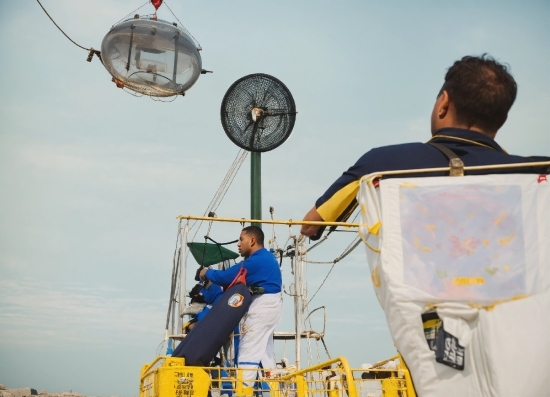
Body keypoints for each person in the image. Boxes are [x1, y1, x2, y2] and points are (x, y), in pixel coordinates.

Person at [301, 54, 550, 239]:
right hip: (514, 305)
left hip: (420, 307)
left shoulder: (380, 163)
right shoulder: (538, 173)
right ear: (502, 119)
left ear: (443, 103)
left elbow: (311, 226)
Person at [199, 226, 283, 392]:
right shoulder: (267, 258)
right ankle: (272, 392)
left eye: (241, 239)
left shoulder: (255, 261)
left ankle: (243, 393)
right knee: (265, 354)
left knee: (247, 352)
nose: (238, 244)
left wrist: (206, 273)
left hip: (262, 307)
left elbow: (226, 277)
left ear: (252, 241)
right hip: (272, 306)